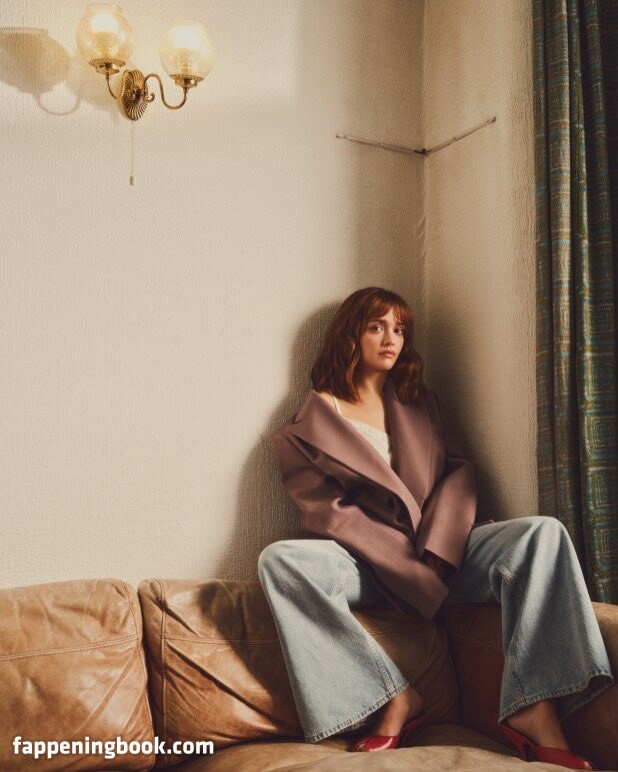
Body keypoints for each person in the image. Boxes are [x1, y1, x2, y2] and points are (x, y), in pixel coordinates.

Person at [258, 286, 614, 769]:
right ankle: (392, 698)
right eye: (377, 327)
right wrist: (408, 565)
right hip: (367, 563)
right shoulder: (302, 431)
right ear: (349, 335)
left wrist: (439, 548)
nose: (392, 338)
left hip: (441, 552)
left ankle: (533, 704)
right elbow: (330, 513)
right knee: (280, 561)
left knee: (542, 533)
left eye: (400, 329)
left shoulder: (421, 403)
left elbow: (457, 473)